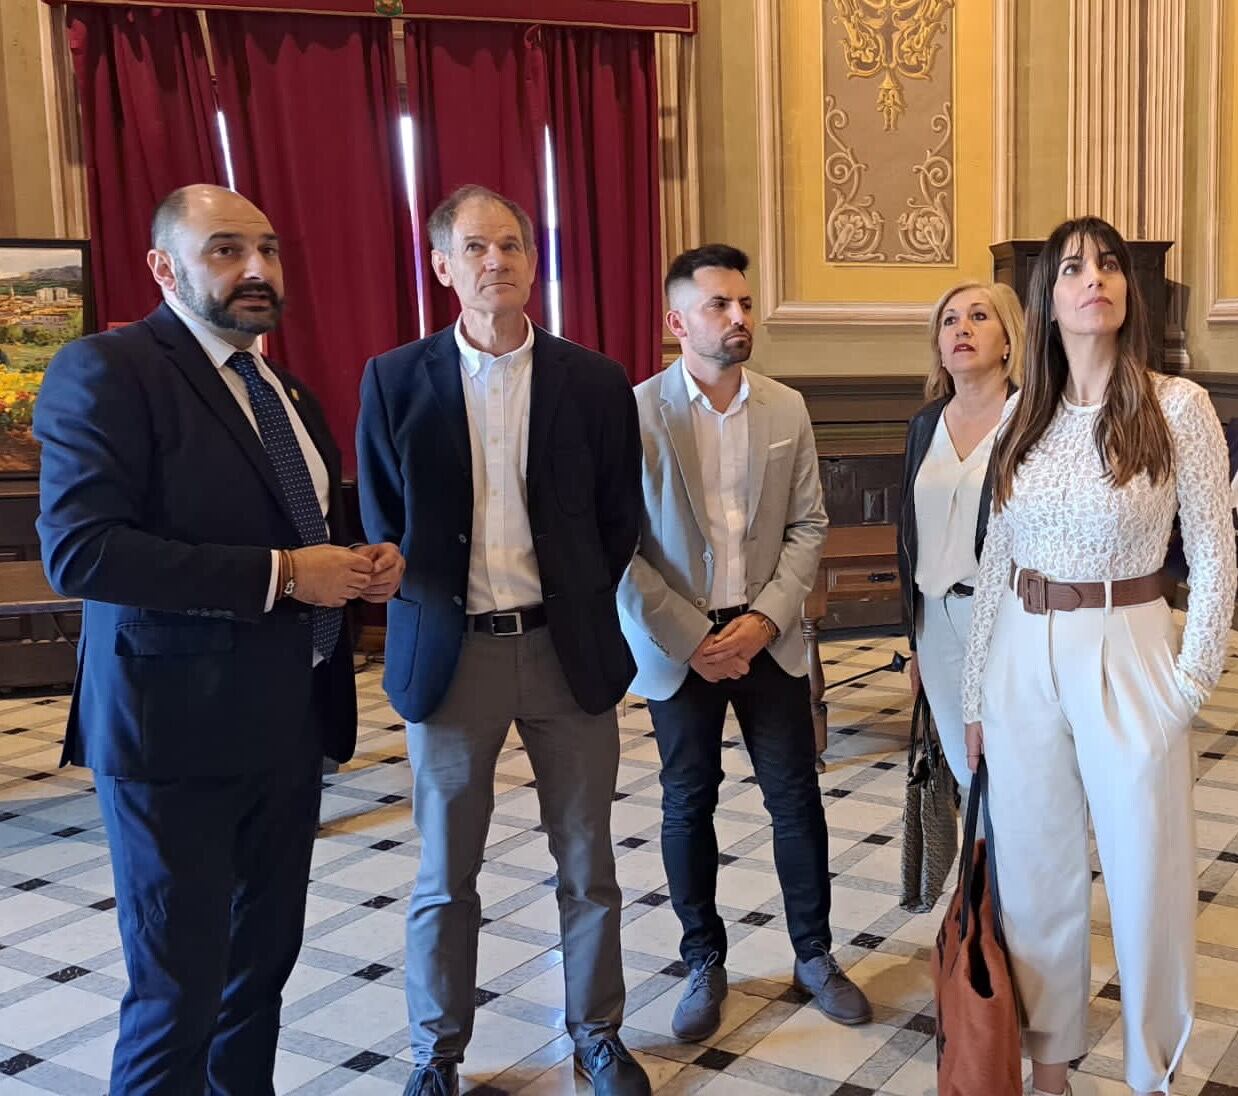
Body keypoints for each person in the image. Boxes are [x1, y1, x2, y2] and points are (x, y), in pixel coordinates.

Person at [33, 184, 404, 1094]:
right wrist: (282, 574)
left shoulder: (285, 389)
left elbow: (303, 527)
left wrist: (357, 563)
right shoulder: (108, 369)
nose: (255, 270)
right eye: (226, 250)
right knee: (178, 994)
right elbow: (80, 552)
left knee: (259, 976)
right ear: (165, 267)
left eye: (269, 250)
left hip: (287, 729)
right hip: (174, 740)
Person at [356, 185, 649, 1096]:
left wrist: (571, 595)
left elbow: (618, 517)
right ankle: (435, 1054)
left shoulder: (594, 381)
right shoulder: (394, 378)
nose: (498, 261)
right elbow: (380, 516)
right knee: (447, 873)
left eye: (513, 245)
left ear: (533, 260)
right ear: (442, 266)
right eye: (477, 247)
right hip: (450, 657)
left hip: (567, 651)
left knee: (589, 863)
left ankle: (596, 1034)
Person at [960, 216, 1237, 1096]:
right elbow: (995, 560)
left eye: (1110, 265)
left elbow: (1218, 551)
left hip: (1131, 642)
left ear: (1128, 291)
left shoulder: (1175, 405)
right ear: (1048, 298)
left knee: (1147, 874)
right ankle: (1050, 1066)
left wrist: (1190, 682)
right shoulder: (1021, 413)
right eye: (1074, 267)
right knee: (1036, 874)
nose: (1096, 279)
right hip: (1021, 660)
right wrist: (975, 696)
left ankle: (1155, 1071)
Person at [617, 244, 872, 1043]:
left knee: (794, 798)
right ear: (676, 322)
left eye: (746, 303)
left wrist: (763, 621)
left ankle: (815, 954)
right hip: (677, 643)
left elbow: (809, 525)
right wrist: (695, 638)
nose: (738, 318)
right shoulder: (632, 412)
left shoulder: (784, 408)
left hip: (768, 638)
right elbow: (616, 543)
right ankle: (703, 961)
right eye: (720, 305)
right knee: (688, 801)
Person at [897, 281, 1023, 793]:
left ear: (1009, 340)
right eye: (949, 320)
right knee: (963, 763)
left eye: (978, 316)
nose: (962, 329)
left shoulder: (1030, 420)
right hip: (935, 621)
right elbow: (908, 534)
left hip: (1005, 618)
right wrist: (913, 642)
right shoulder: (925, 424)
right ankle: (982, 872)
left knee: (1013, 762)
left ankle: (1017, 871)